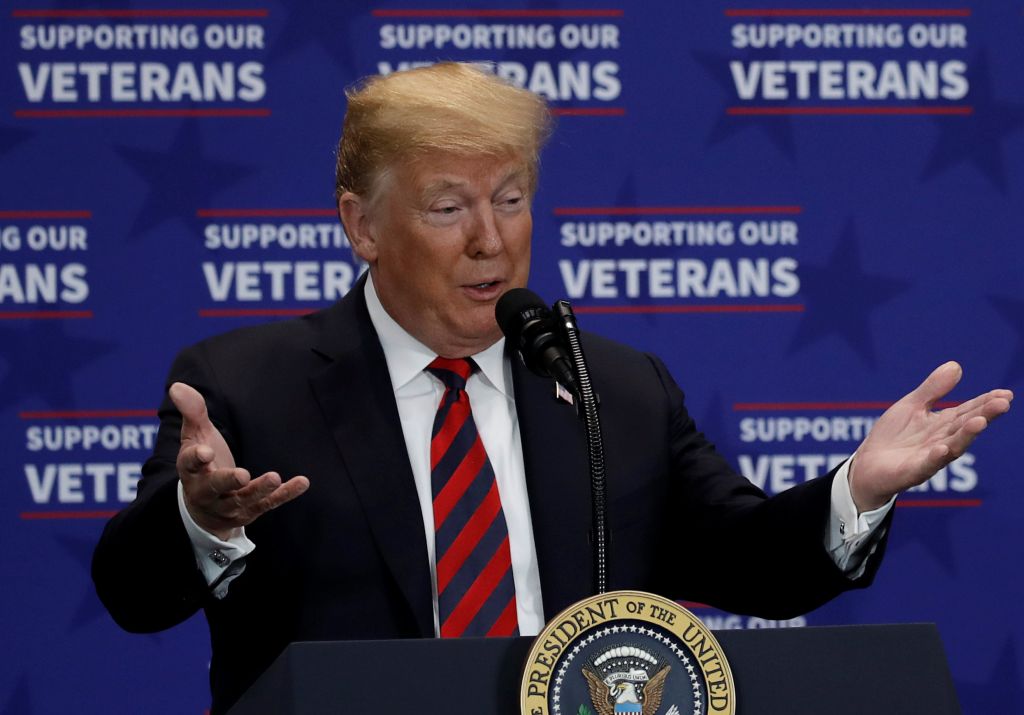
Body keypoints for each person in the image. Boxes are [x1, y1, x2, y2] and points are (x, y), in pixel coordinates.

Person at [92, 63, 1012, 714]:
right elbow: (133, 596)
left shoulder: (613, 386)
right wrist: (200, 520)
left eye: (512, 198)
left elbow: (749, 562)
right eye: (448, 207)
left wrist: (858, 490)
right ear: (362, 225)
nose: (490, 239)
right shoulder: (245, 385)